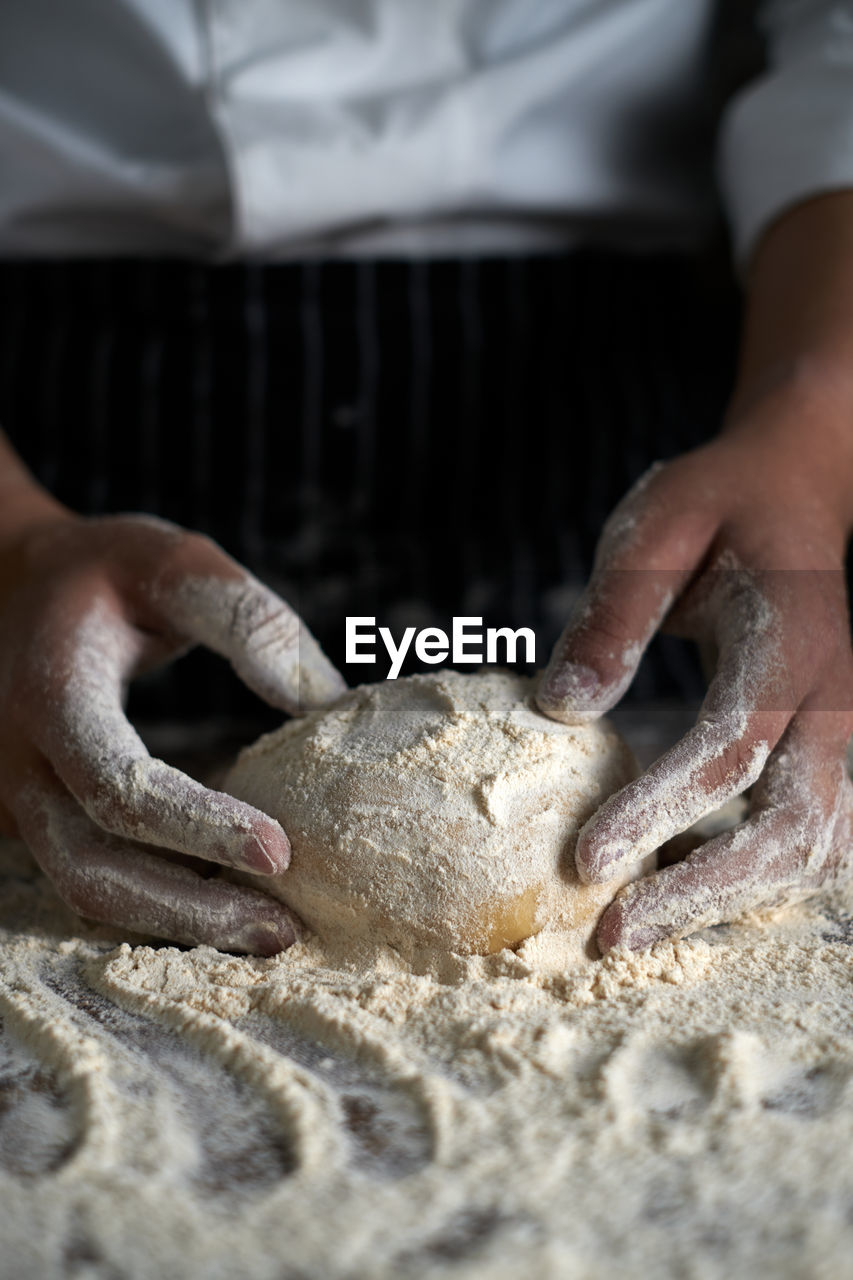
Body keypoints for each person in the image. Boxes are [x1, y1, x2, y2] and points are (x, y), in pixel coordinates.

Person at [0, 0, 851, 956]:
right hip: (82, 425)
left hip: (592, 414)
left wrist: (808, 436)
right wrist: (17, 543)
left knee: (633, 804)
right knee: (100, 794)